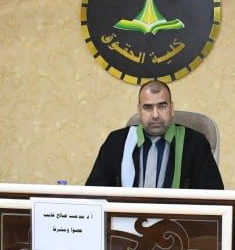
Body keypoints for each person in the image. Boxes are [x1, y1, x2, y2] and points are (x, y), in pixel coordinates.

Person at [86, 80, 224, 189]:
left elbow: (213, 199)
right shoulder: (116, 142)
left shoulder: (196, 144)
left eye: (162, 106)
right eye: (148, 108)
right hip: (125, 217)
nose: (155, 115)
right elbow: (94, 194)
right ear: (139, 110)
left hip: (177, 217)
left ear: (172, 108)